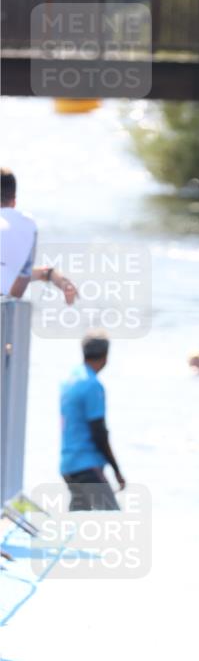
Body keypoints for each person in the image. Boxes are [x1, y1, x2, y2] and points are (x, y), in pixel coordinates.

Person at [60, 332, 125, 510]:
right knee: (113, 521)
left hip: (68, 464)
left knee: (79, 523)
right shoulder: (92, 385)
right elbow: (99, 432)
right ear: (105, 357)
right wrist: (117, 470)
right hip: (86, 465)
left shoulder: (70, 379)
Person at [1, 168, 78, 302]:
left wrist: (49, 274)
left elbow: (10, 276)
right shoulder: (27, 225)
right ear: (13, 202)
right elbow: (16, 289)